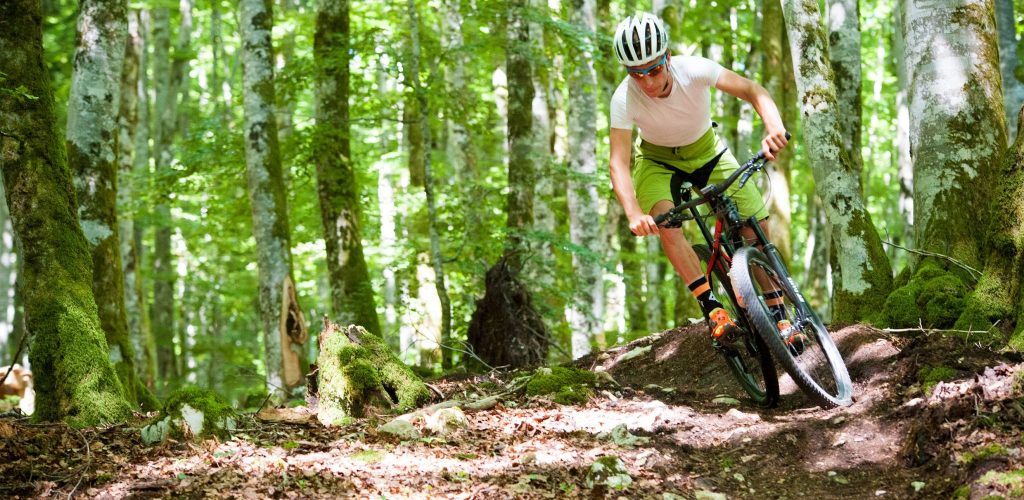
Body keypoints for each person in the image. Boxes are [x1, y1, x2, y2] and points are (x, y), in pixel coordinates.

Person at [608, 13, 791, 344]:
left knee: (755, 225)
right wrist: (634, 212)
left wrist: (774, 126)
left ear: (667, 57)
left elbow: (752, 90)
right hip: (656, 160)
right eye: (637, 74)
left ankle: (780, 315)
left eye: (654, 69)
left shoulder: (693, 69)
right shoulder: (623, 98)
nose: (647, 81)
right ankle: (713, 310)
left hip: (707, 149)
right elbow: (619, 163)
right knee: (667, 222)